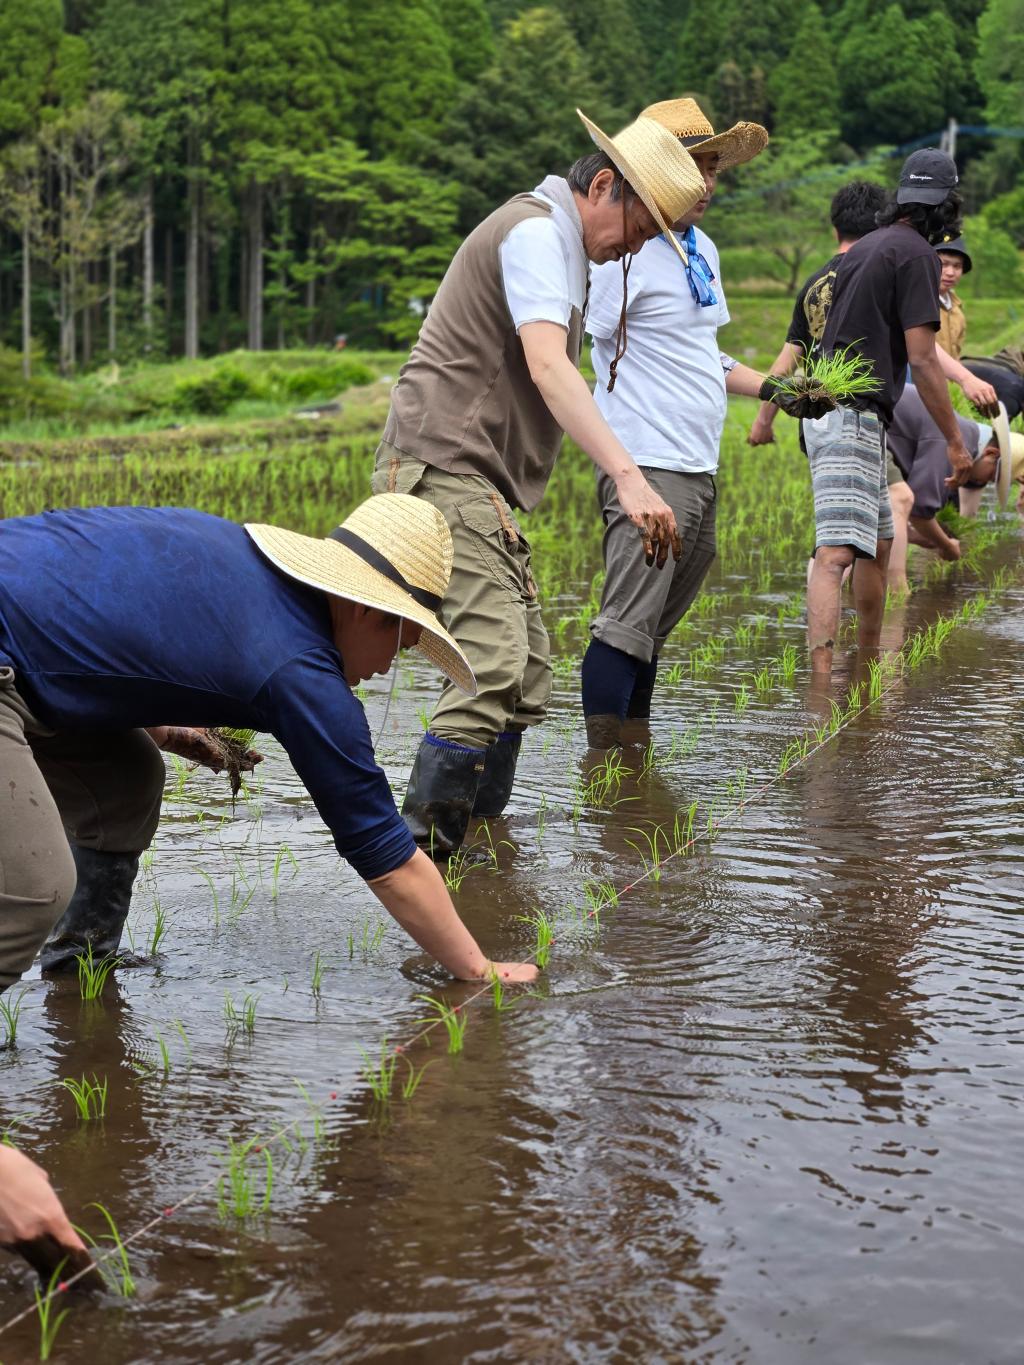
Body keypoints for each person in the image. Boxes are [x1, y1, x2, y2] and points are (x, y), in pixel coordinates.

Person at [0, 495, 537, 991]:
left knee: (125, 780)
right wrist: (477, 968)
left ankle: (79, 974)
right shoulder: (301, 672)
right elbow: (387, 858)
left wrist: (164, 728)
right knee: (34, 892)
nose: (387, 666)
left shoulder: (243, 565)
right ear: (365, 609)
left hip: (22, 639)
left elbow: (100, 627)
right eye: (402, 641)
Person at [372, 108, 707, 854]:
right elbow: (549, 365)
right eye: (639, 230)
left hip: (479, 484)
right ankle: (418, 864)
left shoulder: (564, 246)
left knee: (521, 676)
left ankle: (480, 860)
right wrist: (629, 475)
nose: (632, 248)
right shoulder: (535, 233)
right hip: (443, 469)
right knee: (488, 664)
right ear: (604, 186)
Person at [580, 97, 824, 746]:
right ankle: (606, 773)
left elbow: (704, 355)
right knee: (625, 622)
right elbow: (576, 343)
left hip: (698, 463)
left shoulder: (700, 249)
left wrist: (777, 390)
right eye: (695, 169)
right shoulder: (622, 251)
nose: (708, 184)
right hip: (647, 461)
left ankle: (634, 756)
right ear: (656, 175)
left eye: (714, 170)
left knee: (651, 627)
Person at [803, 148, 975, 677]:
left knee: (878, 543)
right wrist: (953, 439)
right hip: (848, 412)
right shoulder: (918, 256)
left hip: (854, 414)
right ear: (946, 207)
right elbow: (922, 357)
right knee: (836, 553)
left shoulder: (870, 246)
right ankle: (821, 685)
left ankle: (868, 666)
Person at [747, 180, 890, 448]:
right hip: (865, 416)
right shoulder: (881, 277)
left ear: (836, 230)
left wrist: (763, 421)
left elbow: (787, 361)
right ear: (882, 228)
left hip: (817, 421)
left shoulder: (813, 285)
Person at [884, 384, 1001, 576]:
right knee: (900, 498)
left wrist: (921, 538)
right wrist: (946, 545)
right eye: (992, 476)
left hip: (867, 427)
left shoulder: (963, 432)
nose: (987, 482)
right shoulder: (956, 440)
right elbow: (919, 511)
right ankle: (897, 594)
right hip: (858, 420)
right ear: (991, 453)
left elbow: (899, 517)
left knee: (847, 540)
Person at [935, 236, 971, 358]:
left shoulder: (956, 308)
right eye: (944, 264)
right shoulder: (918, 304)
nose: (950, 273)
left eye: (957, 266)